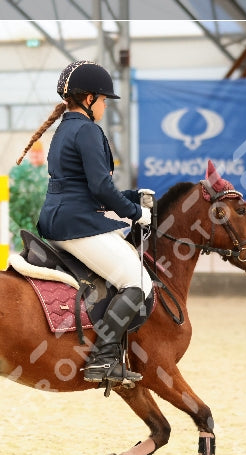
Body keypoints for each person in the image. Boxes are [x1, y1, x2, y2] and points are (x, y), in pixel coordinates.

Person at [16, 60, 153, 385]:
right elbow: (100, 188)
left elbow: (82, 186)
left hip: (58, 219)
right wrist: (135, 212)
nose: (105, 106)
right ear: (89, 99)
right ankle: (103, 360)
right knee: (137, 281)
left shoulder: (65, 128)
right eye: (104, 100)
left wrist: (132, 196)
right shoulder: (88, 130)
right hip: (75, 224)